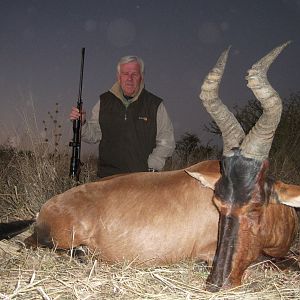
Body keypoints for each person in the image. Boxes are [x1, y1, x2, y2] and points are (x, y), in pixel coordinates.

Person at [70, 55, 175, 178]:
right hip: (107, 178)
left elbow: (167, 142)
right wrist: (82, 123)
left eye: (134, 74)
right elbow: (94, 135)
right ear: (119, 77)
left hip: (141, 180)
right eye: (125, 73)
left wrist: (151, 166)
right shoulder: (104, 101)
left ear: (141, 77)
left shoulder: (155, 105)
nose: (129, 78)